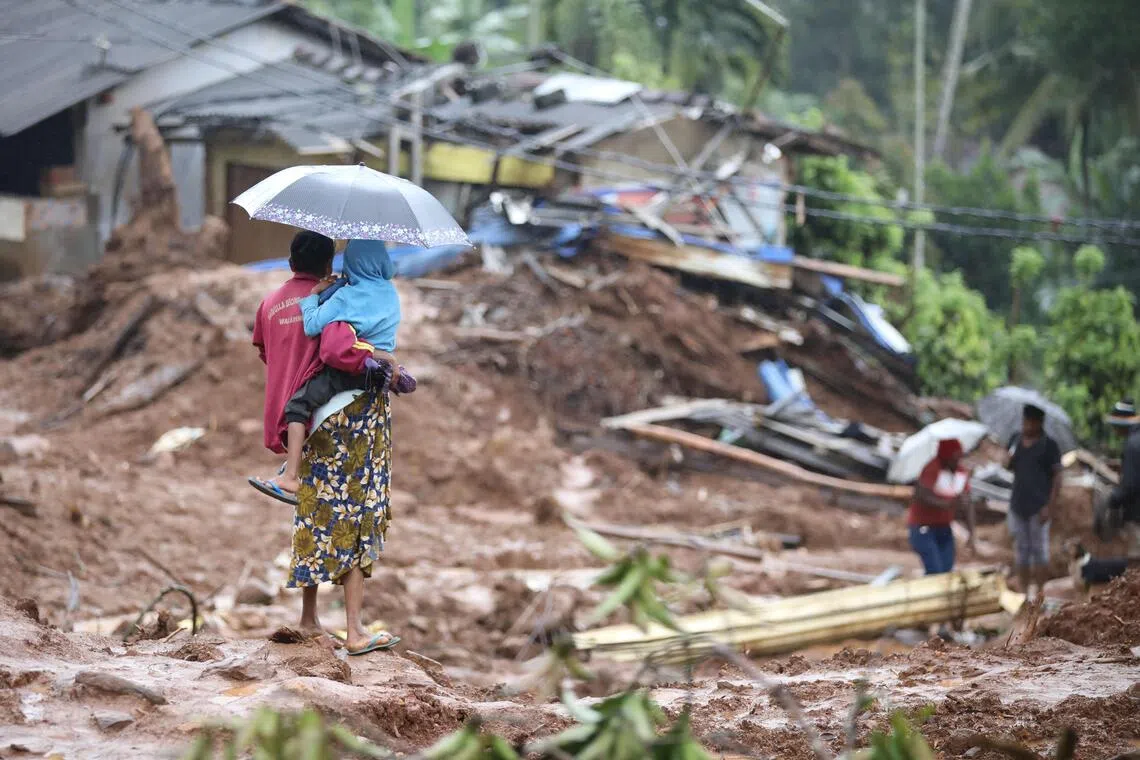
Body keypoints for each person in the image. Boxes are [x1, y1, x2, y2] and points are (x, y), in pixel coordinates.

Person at [250, 230, 400, 654]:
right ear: (328, 263)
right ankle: (354, 630)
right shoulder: (347, 299)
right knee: (357, 512)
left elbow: (264, 349)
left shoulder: (270, 302)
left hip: (298, 415)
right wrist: (382, 358)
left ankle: (309, 618)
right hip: (349, 416)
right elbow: (338, 348)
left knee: (313, 510)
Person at [1006, 404, 1062, 599]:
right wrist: (1008, 458)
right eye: (1024, 421)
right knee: (1021, 551)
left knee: (1039, 552)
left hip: (1039, 506)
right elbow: (1010, 466)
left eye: (1030, 421)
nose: (1026, 425)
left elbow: (1057, 477)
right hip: (1018, 504)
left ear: (1038, 423)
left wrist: (1050, 506)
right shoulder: (1015, 440)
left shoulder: (1049, 445)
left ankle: (1040, 593)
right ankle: (1023, 593)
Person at [908, 439, 972, 575]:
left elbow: (967, 505)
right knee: (935, 570)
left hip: (944, 527)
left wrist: (972, 534)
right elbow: (921, 495)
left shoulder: (960, 474)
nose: (957, 461)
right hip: (923, 528)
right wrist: (947, 504)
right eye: (955, 457)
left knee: (946, 570)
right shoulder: (932, 469)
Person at [1106, 398, 1140, 555]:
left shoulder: (1132, 445)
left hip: (1136, 515)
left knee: (1135, 562)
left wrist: (1113, 499)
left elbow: (1130, 485)